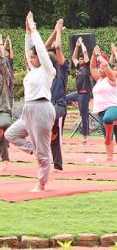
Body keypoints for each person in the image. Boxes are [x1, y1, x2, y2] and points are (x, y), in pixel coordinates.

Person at [5, 11, 56, 191]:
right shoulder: (33, 71)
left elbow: (40, 50)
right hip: (28, 110)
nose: (31, 59)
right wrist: (27, 31)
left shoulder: (47, 70)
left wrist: (34, 29)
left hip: (42, 109)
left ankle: (41, 184)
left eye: (34, 57)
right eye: (31, 57)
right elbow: (29, 50)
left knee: (43, 153)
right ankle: (34, 149)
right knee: (10, 135)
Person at [45, 19, 69, 171]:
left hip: (59, 106)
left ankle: (54, 131)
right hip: (48, 107)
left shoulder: (63, 68)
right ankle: (57, 166)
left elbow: (57, 46)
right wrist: (55, 31)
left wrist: (59, 30)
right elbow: (44, 47)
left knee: (54, 132)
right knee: (52, 138)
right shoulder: (47, 72)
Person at [90, 45, 117, 161]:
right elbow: (92, 67)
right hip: (101, 111)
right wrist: (93, 55)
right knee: (106, 134)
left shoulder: (111, 78)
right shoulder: (99, 80)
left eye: (101, 67)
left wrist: (99, 55)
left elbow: (106, 65)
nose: (100, 69)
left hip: (113, 108)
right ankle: (110, 157)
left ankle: (113, 126)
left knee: (107, 120)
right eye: (99, 68)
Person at [66, 37, 92, 143]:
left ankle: (85, 137)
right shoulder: (78, 67)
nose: (80, 60)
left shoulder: (87, 66)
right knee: (63, 98)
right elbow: (73, 57)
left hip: (85, 94)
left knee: (84, 115)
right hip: (78, 94)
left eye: (82, 59)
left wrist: (81, 43)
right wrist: (76, 47)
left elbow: (85, 52)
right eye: (80, 59)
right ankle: (75, 104)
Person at [0, 35, 12, 171]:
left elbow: (2, 62)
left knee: (4, 126)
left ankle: (5, 159)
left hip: (3, 108)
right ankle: (5, 159)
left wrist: (1, 43)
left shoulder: (4, 77)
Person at [3, 35, 14, 108]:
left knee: (10, 91)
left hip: (10, 77)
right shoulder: (3, 58)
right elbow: (2, 49)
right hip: (4, 77)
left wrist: (9, 41)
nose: (6, 52)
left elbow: (11, 49)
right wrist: (5, 41)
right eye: (5, 52)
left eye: (7, 52)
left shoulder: (10, 58)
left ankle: (10, 105)